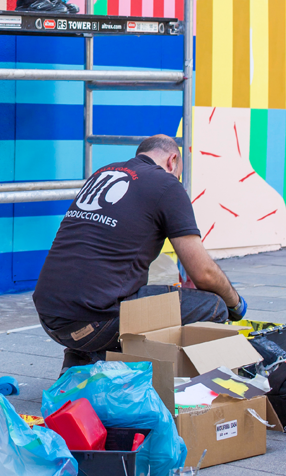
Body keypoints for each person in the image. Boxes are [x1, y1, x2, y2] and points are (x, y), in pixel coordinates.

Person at [33, 134, 247, 369]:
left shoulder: (103, 173)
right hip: (94, 323)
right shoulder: (166, 185)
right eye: (178, 172)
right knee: (213, 306)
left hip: (50, 317)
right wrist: (235, 303)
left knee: (116, 293)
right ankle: (125, 369)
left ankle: (81, 359)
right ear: (172, 160)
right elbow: (204, 273)